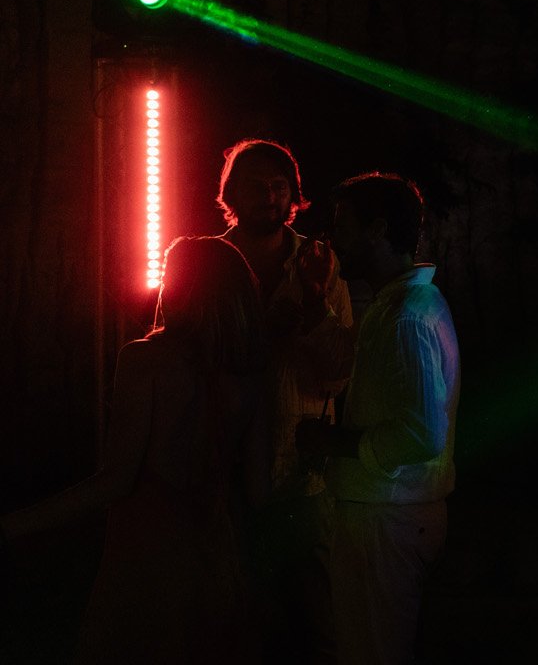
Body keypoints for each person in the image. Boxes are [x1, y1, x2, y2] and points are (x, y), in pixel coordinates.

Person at [1, 237, 270, 663]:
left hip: (146, 557)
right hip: (214, 553)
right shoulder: (249, 372)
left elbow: (116, 479)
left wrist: (17, 525)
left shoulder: (145, 361)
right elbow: (258, 491)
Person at [295, 173, 460, 665]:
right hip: (390, 514)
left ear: (377, 229)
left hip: (386, 519)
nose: (332, 239)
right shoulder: (399, 306)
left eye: (343, 226)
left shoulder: (406, 316)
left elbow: (419, 434)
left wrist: (333, 444)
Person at [217, 137, 355, 661]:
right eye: (255, 186)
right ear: (230, 193)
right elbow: (177, 360)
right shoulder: (206, 264)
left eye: (279, 187)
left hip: (301, 477)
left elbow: (341, 373)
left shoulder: (320, 263)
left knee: (314, 629)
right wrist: (258, 337)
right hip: (224, 475)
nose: (269, 197)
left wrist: (314, 309)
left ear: (294, 195)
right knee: (235, 626)